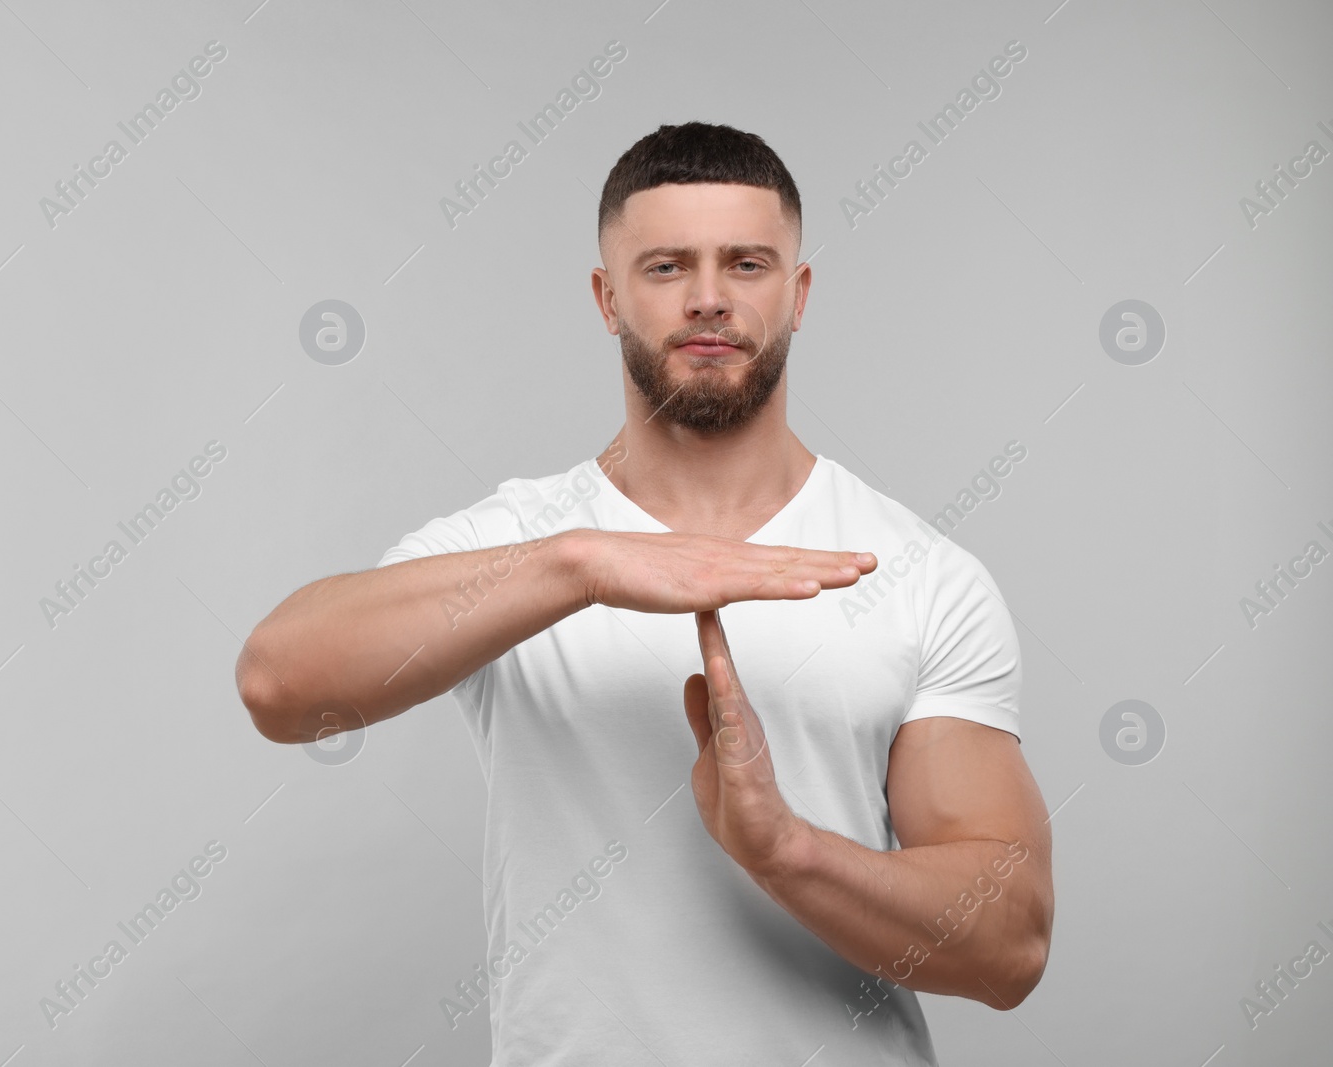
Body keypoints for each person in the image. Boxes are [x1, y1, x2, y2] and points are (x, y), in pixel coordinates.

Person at [235, 121, 1053, 1065]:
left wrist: (786, 848)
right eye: (666, 267)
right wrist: (580, 565)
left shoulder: (918, 575)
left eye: (747, 264)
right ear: (607, 298)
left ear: (799, 292)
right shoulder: (520, 547)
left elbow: (1011, 945)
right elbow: (278, 684)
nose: (709, 299)